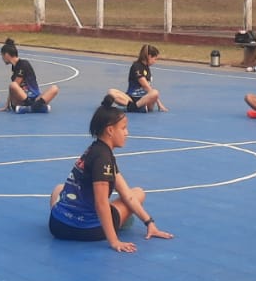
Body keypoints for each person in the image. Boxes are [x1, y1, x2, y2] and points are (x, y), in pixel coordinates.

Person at [48, 95, 176, 252]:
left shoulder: (93, 150)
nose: (127, 133)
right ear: (110, 130)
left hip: (57, 225)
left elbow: (123, 192)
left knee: (59, 189)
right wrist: (114, 241)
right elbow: (102, 203)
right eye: (123, 128)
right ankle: (114, 225)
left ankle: (72, 216)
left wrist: (150, 223)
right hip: (86, 230)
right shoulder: (104, 159)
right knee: (139, 193)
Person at [1, 38, 59, 113]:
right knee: (13, 85)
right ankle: (36, 107)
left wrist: (7, 103)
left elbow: (16, 85)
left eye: (2, 55)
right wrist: (8, 104)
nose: (2, 58)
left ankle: (29, 108)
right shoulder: (14, 67)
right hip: (23, 99)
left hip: (35, 98)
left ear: (6, 55)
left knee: (54, 88)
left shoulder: (23, 64)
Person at [106, 44, 168, 113]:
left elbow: (150, 90)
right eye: (155, 59)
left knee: (155, 92)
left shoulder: (147, 68)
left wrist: (156, 100)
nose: (155, 61)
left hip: (144, 100)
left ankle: (135, 107)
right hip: (131, 99)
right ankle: (135, 107)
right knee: (111, 92)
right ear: (149, 56)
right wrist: (159, 103)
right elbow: (146, 86)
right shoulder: (136, 66)